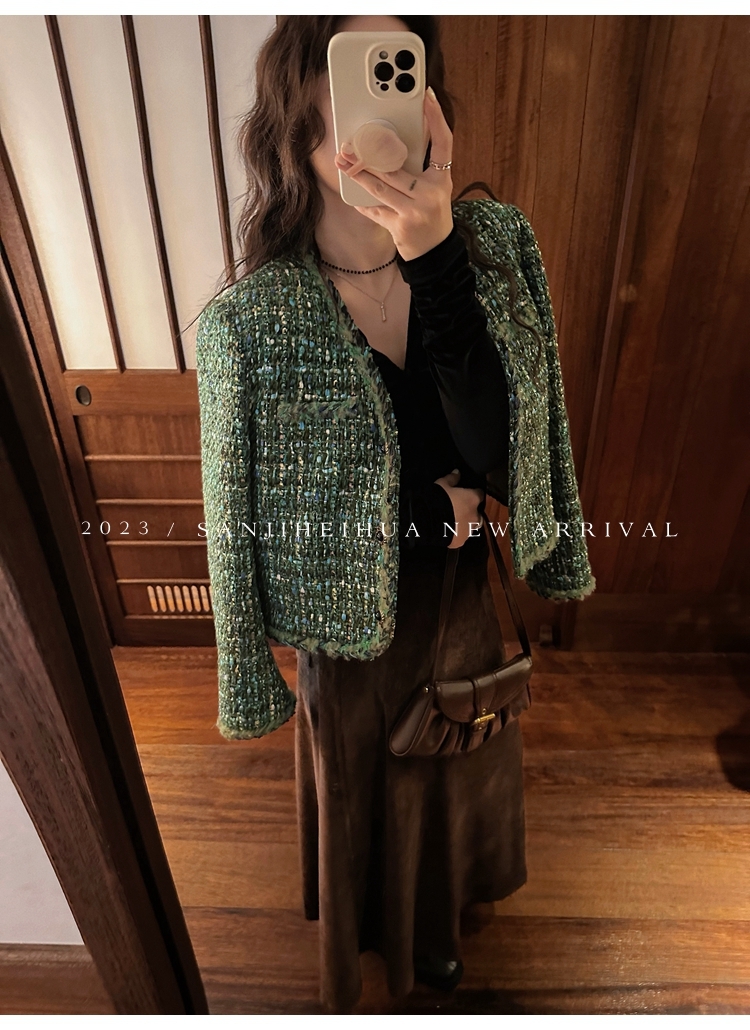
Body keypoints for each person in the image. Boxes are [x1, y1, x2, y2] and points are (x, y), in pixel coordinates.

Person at [196, 14, 595, 1014]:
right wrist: (423, 510)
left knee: (457, 780)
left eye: (400, 74)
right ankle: (379, 942)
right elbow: (246, 522)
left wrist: (436, 260)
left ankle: (443, 932)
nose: (379, 110)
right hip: (350, 646)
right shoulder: (253, 322)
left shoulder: (494, 250)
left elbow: (509, 455)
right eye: (351, 77)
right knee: (373, 801)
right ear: (298, 118)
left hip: (461, 610)